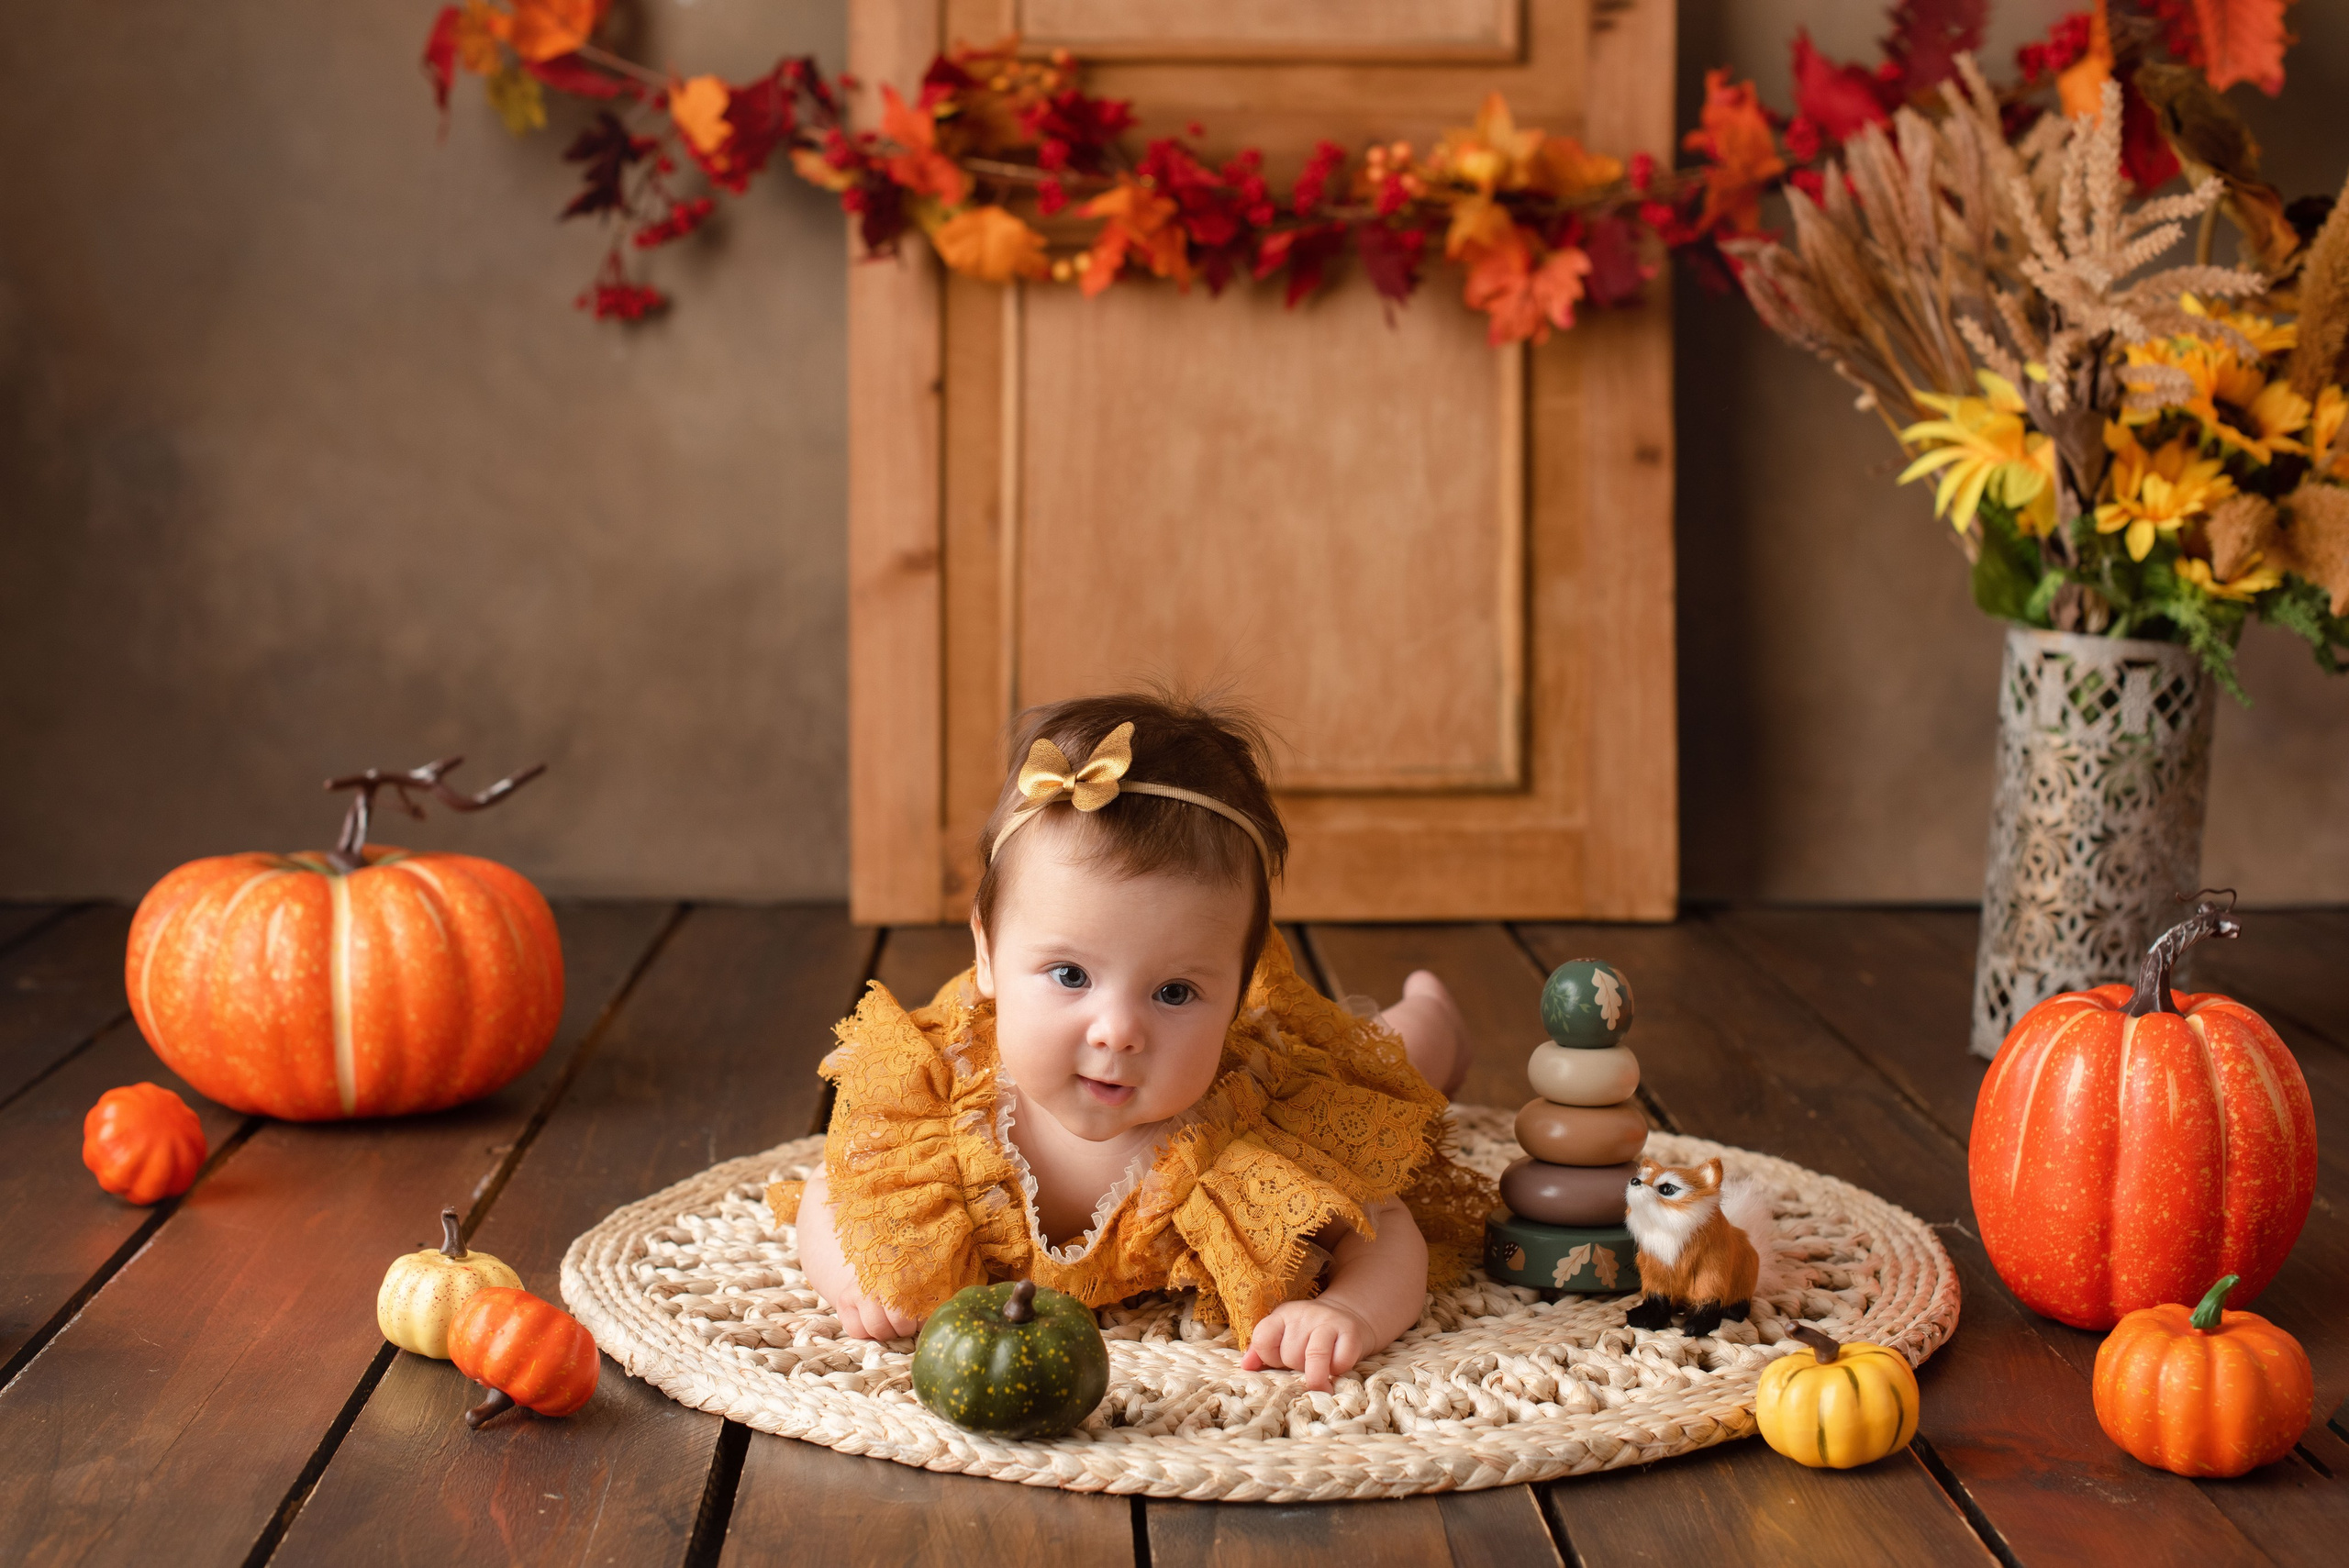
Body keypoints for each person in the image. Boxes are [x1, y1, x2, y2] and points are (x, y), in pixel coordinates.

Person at [788, 692, 1492, 1391]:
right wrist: (855, 1274)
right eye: (1070, 975)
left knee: (1389, 1062)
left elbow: (1385, 1230)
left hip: (1263, 1095)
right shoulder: (943, 1107)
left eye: (1175, 991)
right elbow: (833, 1189)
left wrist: (1350, 1310)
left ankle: (1434, 1013)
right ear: (987, 953)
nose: (1119, 1031)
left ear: (1238, 991)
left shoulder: (1243, 1140)